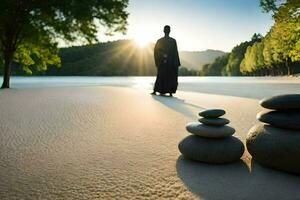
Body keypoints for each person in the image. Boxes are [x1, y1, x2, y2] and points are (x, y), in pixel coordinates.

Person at [152, 25, 181, 97]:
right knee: (163, 76)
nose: (167, 31)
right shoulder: (166, 41)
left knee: (165, 76)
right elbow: (156, 51)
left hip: (167, 62)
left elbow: (175, 52)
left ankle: (165, 91)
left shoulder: (170, 41)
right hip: (165, 62)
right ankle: (167, 91)